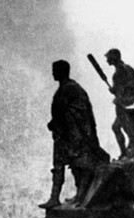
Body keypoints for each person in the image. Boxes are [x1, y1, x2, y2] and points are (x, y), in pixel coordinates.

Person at [40, 60, 109, 209]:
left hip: (72, 135)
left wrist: (54, 123)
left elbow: (66, 111)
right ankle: (63, 197)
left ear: (61, 71)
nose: (52, 72)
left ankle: (70, 197)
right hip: (67, 134)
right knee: (67, 165)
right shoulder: (68, 88)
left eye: (54, 70)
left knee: (72, 165)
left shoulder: (69, 89)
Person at [105, 48, 134, 158]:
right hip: (132, 103)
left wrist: (115, 91)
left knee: (129, 132)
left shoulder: (119, 73)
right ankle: (124, 152)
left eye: (108, 58)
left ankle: (127, 153)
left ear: (113, 58)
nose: (107, 60)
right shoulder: (128, 68)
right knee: (117, 128)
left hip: (125, 106)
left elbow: (125, 88)